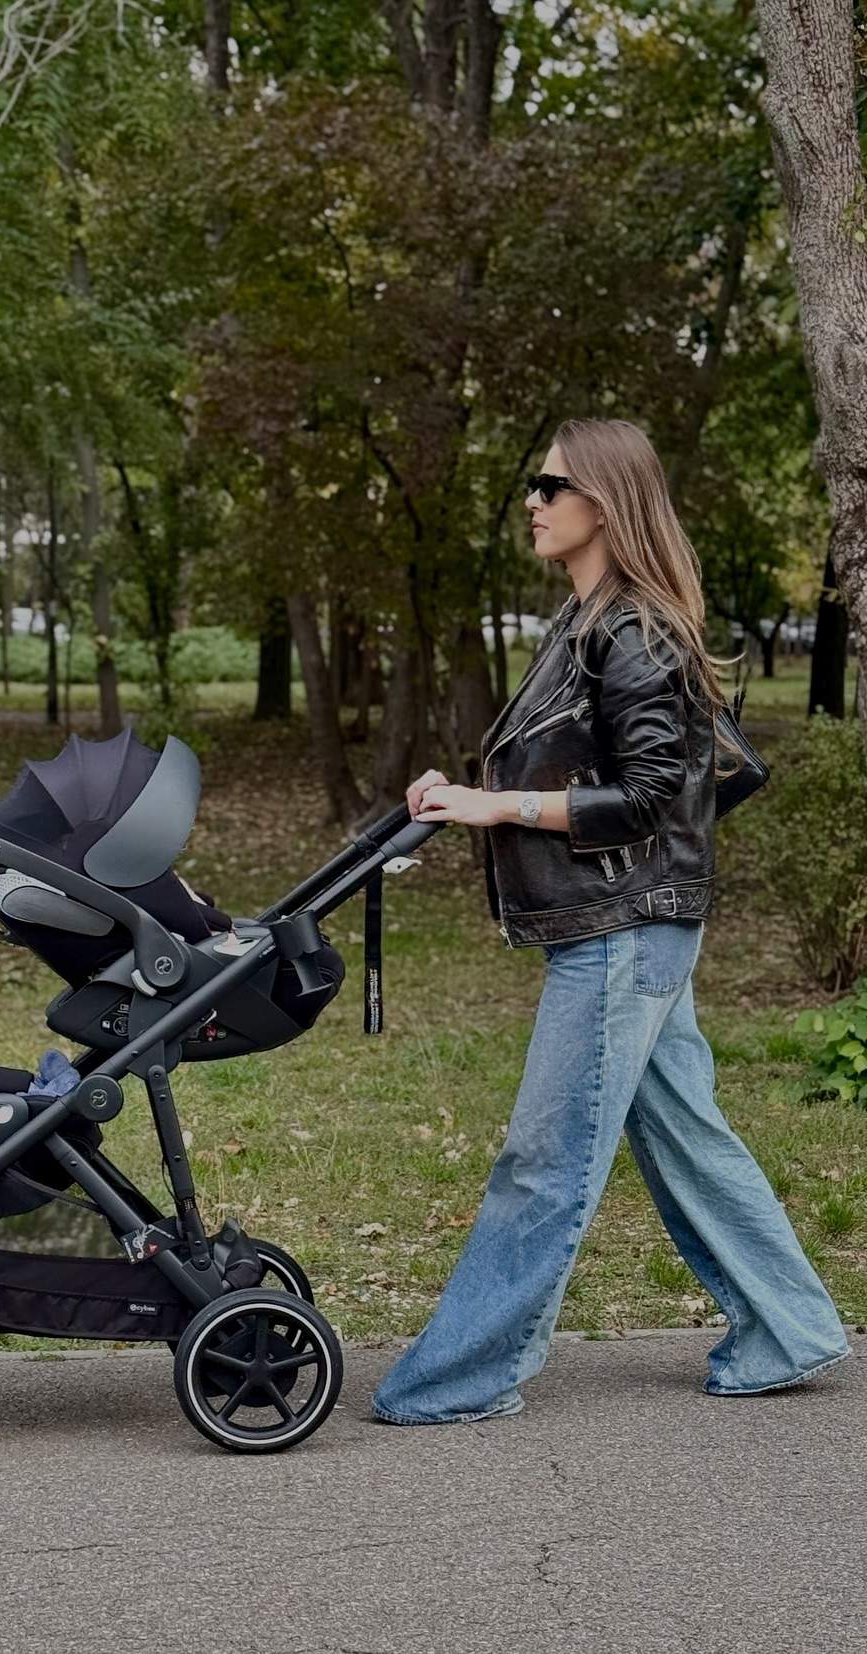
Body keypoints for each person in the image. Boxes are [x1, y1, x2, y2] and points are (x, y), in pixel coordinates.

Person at [371, 417, 850, 1425]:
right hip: (634, 921)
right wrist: (461, 792)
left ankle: (459, 1378)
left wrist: (496, 806)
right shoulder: (584, 621)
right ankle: (790, 1327)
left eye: (551, 486)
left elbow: (646, 798)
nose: (533, 502)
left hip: (624, 928)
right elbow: (576, 761)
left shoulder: (633, 631)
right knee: (686, 1137)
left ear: (605, 499)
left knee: (543, 1161)